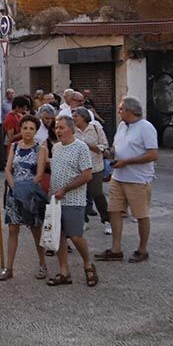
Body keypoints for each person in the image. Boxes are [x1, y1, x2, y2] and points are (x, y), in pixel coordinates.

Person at [96, 97, 159, 263]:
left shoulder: (146, 127)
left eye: (121, 109)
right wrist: (109, 152)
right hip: (118, 177)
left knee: (141, 215)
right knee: (114, 211)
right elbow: (118, 148)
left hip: (137, 179)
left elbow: (153, 154)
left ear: (130, 111)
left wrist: (127, 162)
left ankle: (142, 249)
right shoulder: (123, 126)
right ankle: (116, 249)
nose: (118, 112)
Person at [48, 116, 99, 286]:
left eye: (62, 127)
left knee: (76, 236)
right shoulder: (55, 148)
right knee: (59, 236)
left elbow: (87, 175)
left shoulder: (81, 147)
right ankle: (64, 271)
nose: (58, 131)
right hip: (56, 200)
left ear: (71, 129)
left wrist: (65, 189)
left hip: (73, 199)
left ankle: (87, 264)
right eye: (56, 127)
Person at [0, 115, 49, 282]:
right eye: (25, 128)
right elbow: (7, 168)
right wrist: (14, 188)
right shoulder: (14, 146)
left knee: (36, 230)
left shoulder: (40, 148)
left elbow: (40, 174)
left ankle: (42, 264)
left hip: (31, 194)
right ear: (20, 129)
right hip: (14, 193)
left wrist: (25, 191)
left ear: (36, 131)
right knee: (13, 230)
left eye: (31, 128)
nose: (27, 131)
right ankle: (9, 267)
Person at [72, 106, 109, 229]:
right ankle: (83, 220)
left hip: (95, 166)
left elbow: (104, 145)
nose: (73, 118)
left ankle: (107, 220)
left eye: (76, 116)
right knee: (80, 195)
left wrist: (90, 146)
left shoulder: (95, 127)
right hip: (78, 168)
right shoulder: (73, 129)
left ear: (83, 117)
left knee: (97, 194)